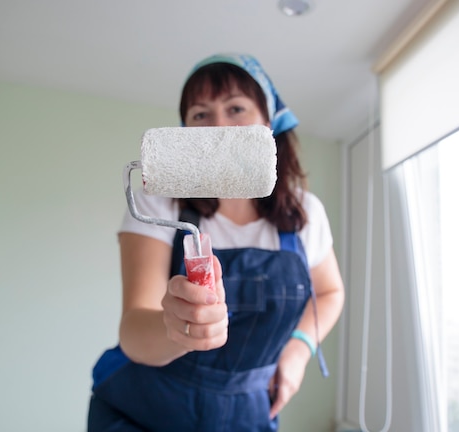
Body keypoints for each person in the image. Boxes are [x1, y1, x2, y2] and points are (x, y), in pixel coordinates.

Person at [87, 53, 345, 431]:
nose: (219, 127)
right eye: (200, 115)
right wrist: (179, 329)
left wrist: (297, 352)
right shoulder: (159, 200)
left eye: (236, 108)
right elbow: (134, 332)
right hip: (144, 405)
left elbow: (330, 292)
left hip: (248, 412)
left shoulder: (304, 213)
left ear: (268, 123)